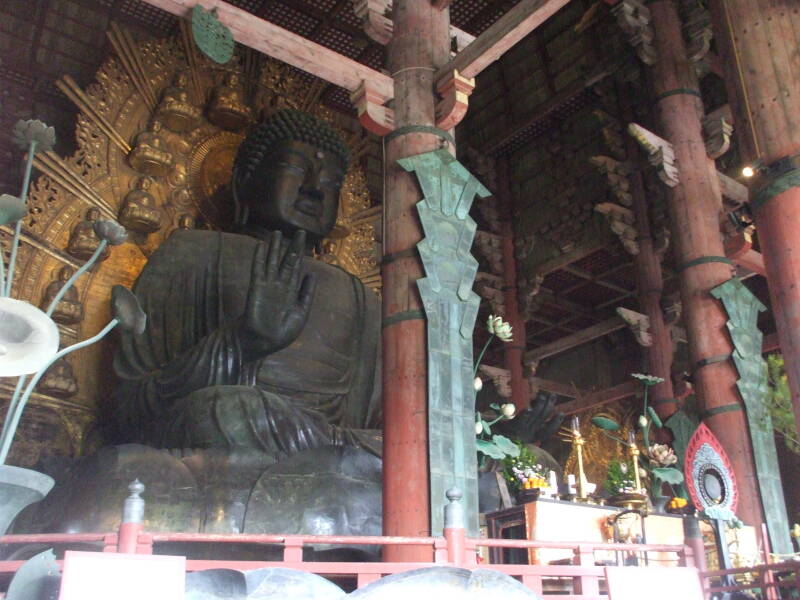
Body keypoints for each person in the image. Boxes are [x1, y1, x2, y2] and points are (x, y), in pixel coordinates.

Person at [113, 110, 381, 463]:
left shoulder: (360, 297)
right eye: (297, 169)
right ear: (243, 181)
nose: (315, 190)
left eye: (331, 183)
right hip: (226, 427)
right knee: (228, 409)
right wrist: (239, 342)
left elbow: (378, 424)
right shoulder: (193, 252)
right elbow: (128, 408)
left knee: (414, 447)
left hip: (330, 448)